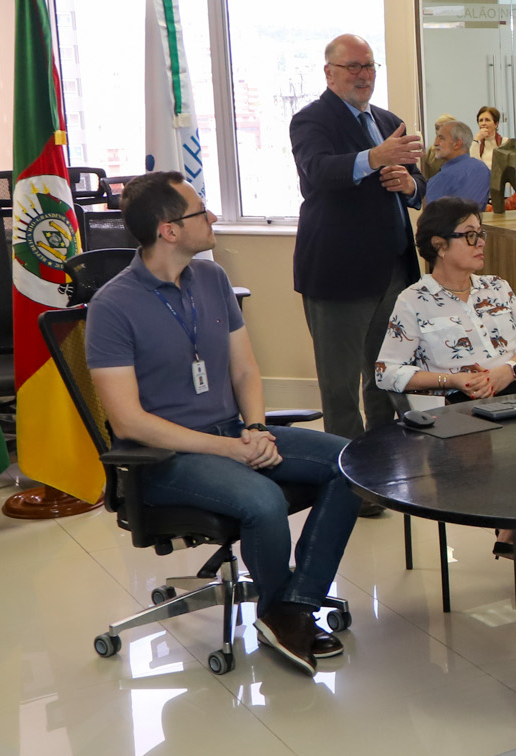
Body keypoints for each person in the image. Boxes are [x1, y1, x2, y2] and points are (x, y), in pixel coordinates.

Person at [87, 172, 361, 677]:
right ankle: (284, 614)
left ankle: (292, 605)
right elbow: (129, 421)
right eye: (200, 211)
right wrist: (232, 451)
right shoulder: (112, 307)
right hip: (165, 459)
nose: (212, 217)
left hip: (232, 431)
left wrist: (254, 429)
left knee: (352, 461)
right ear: (169, 230)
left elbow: (244, 369)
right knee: (263, 500)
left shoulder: (212, 281)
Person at [374, 197, 516, 559]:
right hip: (461, 405)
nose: (482, 242)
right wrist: (452, 381)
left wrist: (509, 370)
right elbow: (385, 372)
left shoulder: (497, 288)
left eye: (480, 233)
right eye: (470, 236)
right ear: (439, 245)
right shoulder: (413, 301)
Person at [290, 34, 425, 479]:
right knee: (342, 387)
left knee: (387, 376)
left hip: (393, 271)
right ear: (329, 73)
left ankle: (386, 469)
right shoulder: (311, 121)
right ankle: (349, 483)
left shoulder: (389, 120)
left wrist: (409, 185)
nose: (364, 75)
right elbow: (320, 172)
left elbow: (419, 186)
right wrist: (374, 157)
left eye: (369, 66)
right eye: (354, 67)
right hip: (338, 274)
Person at [423, 117, 490, 211]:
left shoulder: (440, 179)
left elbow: (430, 221)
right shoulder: (483, 169)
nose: (435, 143)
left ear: (457, 144)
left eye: (441, 138)